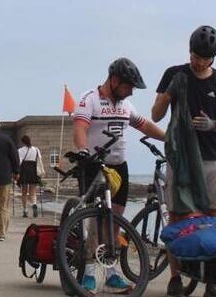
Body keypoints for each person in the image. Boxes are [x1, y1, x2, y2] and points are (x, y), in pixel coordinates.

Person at [152, 26, 216, 297]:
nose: (196, 61)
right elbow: (155, 115)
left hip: (212, 158)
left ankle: (211, 282)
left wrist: (212, 125)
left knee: (212, 218)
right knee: (177, 217)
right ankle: (175, 278)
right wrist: (169, 93)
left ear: (212, 58)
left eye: (202, 57)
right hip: (181, 158)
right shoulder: (174, 73)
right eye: (193, 55)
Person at [73, 56, 166, 294]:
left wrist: (169, 138)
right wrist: (83, 151)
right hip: (94, 164)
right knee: (95, 220)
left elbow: (144, 125)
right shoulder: (89, 100)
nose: (131, 92)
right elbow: (81, 127)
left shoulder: (126, 106)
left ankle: (112, 272)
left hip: (119, 167)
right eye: (128, 87)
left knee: (114, 221)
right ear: (114, 80)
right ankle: (91, 273)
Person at [17, 135, 42, 217]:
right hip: (33, 171)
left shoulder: (20, 150)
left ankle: (25, 210)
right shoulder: (36, 150)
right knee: (33, 191)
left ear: (22, 142)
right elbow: (39, 160)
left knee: (24, 192)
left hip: (24, 171)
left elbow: (19, 162)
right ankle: (34, 204)